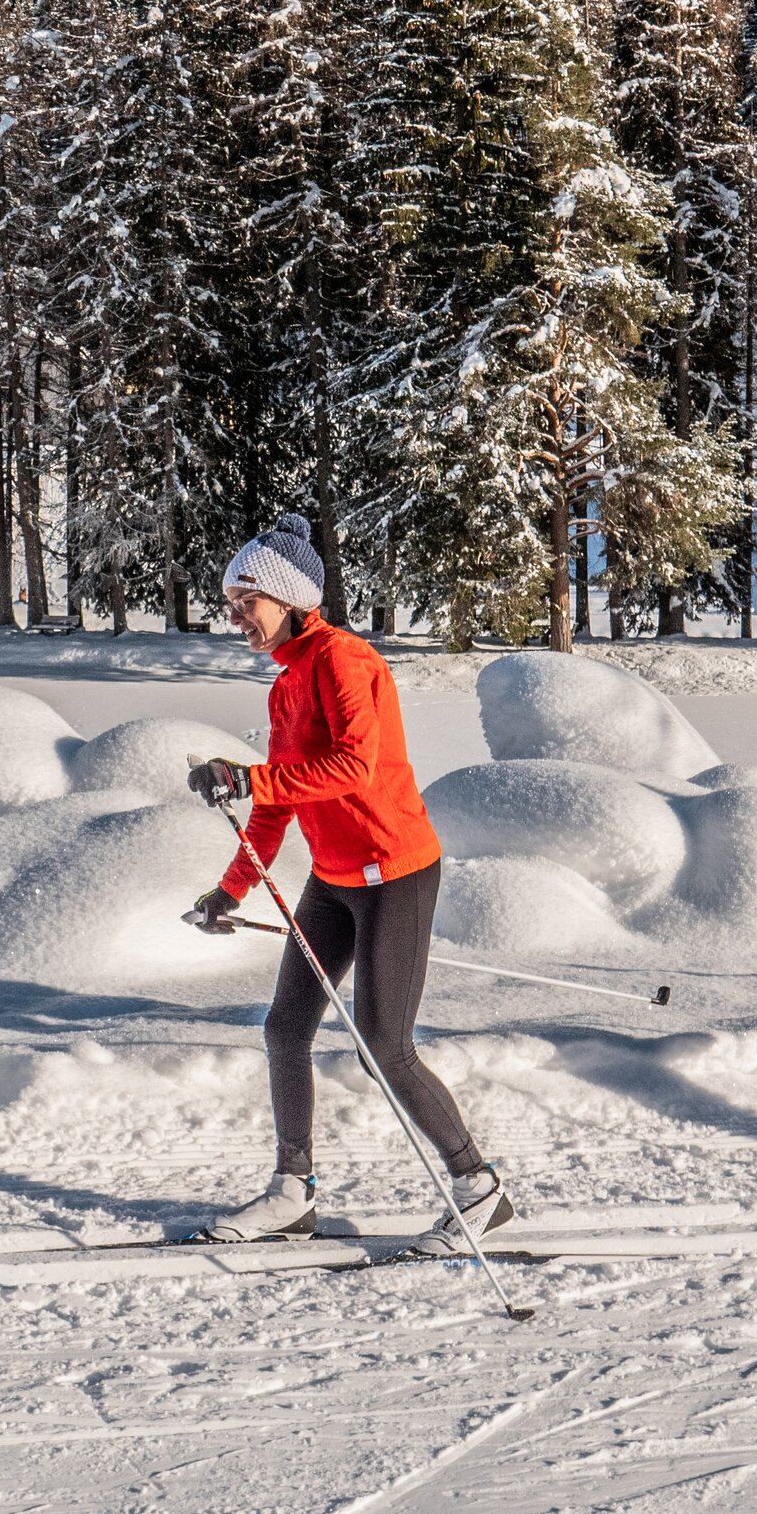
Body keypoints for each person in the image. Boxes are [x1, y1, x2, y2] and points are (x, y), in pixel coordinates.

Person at [180, 515, 514, 1255]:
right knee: (284, 1028)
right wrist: (230, 889)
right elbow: (277, 803)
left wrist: (249, 776)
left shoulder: (344, 659)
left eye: (246, 602)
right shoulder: (285, 688)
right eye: (231, 604)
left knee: (384, 1046)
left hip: (395, 872)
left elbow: (353, 767)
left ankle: (479, 1188)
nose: (236, 617)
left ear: (291, 598)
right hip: (333, 880)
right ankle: (292, 1190)